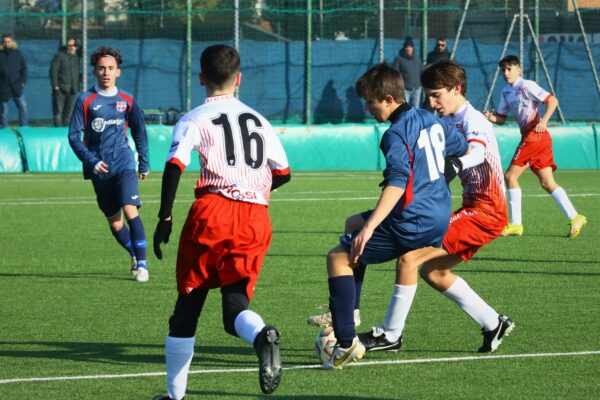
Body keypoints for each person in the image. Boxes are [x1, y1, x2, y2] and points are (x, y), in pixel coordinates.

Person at [152, 44, 291, 400]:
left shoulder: (194, 118)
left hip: (213, 213)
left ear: (200, 78)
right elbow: (283, 172)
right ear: (239, 78)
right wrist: (255, 191)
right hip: (255, 218)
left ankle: (174, 397)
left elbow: (174, 166)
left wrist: (165, 216)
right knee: (234, 310)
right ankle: (262, 337)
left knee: (186, 309)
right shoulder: (259, 120)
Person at [356, 60, 514, 355]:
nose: (431, 102)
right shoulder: (444, 121)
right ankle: (493, 323)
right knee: (434, 272)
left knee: (409, 259)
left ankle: (391, 335)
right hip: (474, 208)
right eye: (428, 95)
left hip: (486, 211)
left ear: (456, 89)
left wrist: (455, 164)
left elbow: (477, 151)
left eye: (437, 94)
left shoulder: (473, 120)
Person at [320, 63, 467, 370]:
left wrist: (371, 227)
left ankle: (346, 345)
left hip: (414, 220)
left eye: (370, 102)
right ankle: (352, 311)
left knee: (338, 257)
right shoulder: (429, 118)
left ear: (388, 99)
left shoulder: (395, 134)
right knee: (352, 224)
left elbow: (398, 182)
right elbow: (460, 144)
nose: (367, 108)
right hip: (438, 214)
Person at [68, 46, 150, 282]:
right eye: (102, 68)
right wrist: (92, 161)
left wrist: (143, 162)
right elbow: (74, 136)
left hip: (124, 162)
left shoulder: (127, 100)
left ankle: (142, 265)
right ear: (95, 71)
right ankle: (134, 255)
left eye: (111, 68)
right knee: (115, 224)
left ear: (118, 72)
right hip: (99, 170)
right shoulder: (85, 100)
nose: (106, 72)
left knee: (130, 208)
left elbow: (139, 131)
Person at [484, 55, 587, 238]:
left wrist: (545, 121)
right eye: (503, 70)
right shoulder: (506, 92)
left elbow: (552, 101)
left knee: (510, 176)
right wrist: (492, 118)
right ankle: (575, 216)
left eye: (510, 68)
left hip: (535, 136)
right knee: (547, 182)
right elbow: (501, 118)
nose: (506, 73)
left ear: (519, 70)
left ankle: (516, 224)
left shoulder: (527, 85)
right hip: (534, 138)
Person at [50, 38, 80, 126]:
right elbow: (53, 70)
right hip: (61, 88)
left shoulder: (76, 58)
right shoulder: (60, 56)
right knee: (58, 112)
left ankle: (65, 131)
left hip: (72, 89)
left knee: (68, 113)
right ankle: (58, 131)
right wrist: (55, 85)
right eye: (69, 45)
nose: (71, 47)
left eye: (73, 46)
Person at [0, 33, 27, 128]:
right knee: (4, 110)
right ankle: (4, 128)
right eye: (5, 42)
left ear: (12, 42)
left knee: (23, 107)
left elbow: (24, 68)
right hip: (3, 87)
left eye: (8, 42)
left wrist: (23, 81)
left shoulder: (17, 54)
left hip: (16, 85)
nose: (7, 44)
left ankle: (23, 127)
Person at [392, 37, 423, 108]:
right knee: (404, 108)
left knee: (415, 108)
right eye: (406, 47)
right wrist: (400, 86)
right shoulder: (399, 59)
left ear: (413, 48)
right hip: (404, 90)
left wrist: (420, 85)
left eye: (410, 47)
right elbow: (395, 73)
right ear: (404, 48)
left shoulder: (417, 59)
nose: (408, 49)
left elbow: (422, 71)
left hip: (416, 89)